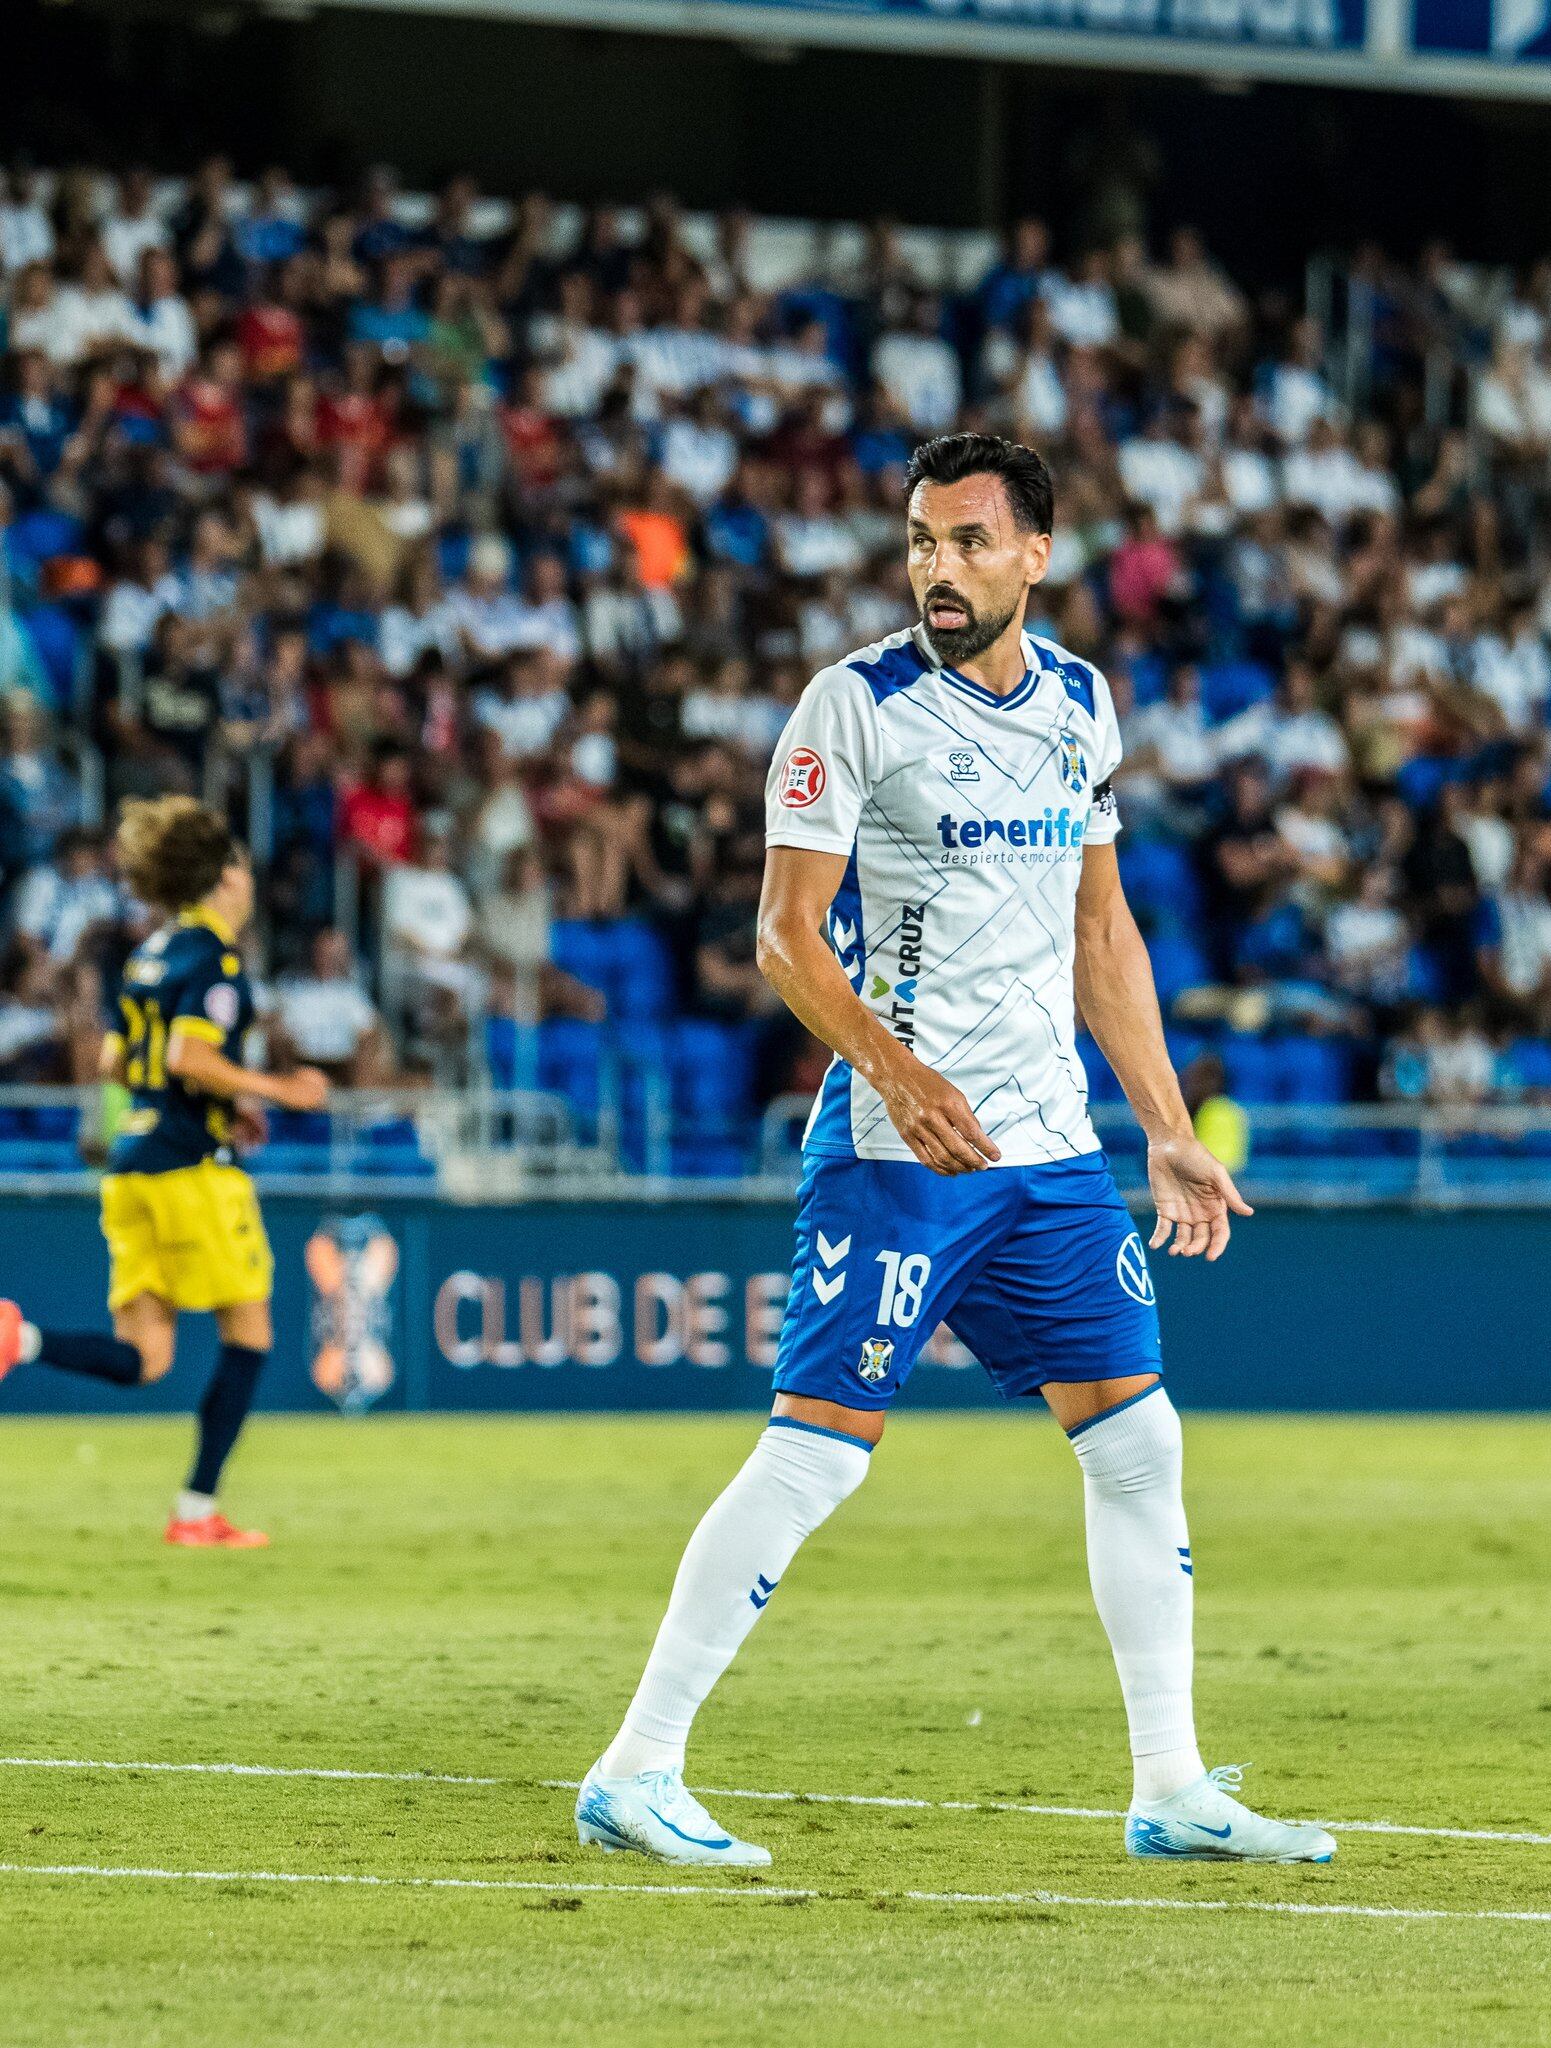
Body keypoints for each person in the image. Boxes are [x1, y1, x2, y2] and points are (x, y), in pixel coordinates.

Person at [577, 433, 1336, 1870]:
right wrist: (895, 1070)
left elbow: (1098, 932)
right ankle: (636, 1765)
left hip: (1048, 1152)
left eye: (969, 541)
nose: (938, 567)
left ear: (1035, 555)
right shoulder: (849, 706)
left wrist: (1164, 1130)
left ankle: (1167, 1787)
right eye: (922, 541)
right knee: (818, 1456)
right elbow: (781, 939)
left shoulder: (1080, 704)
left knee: (1136, 1442)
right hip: (895, 1146)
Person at [0, 797, 330, 1546]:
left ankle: (18, 1341)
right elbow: (186, 1056)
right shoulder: (214, 959)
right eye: (240, 864)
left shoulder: (150, 954)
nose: (247, 877)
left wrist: (212, 1105)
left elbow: (119, 1060)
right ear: (220, 877)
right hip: (189, 1173)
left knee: (147, 1358)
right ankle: (196, 1511)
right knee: (250, 1333)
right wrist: (280, 1090)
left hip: (131, 1166)